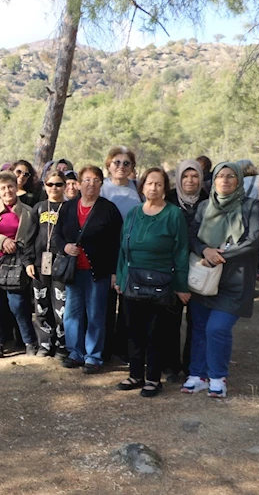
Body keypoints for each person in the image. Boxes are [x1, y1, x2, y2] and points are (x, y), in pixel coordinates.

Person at [182, 162, 259, 399]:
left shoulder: (250, 206)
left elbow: (253, 240)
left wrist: (220, 256)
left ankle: (217, 376)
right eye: (220, 176)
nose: (225, 180)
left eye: (230, 176)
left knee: (217, 328)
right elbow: (192, 236)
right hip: (205, 280)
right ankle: (198, 375)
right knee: (198, 328)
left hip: (234, 282)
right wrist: (206, 250)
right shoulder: (205, 206)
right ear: (213, 181)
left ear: (239, 180)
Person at [114, 168, 191, 397]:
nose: (154, 188)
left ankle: (153, 379)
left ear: (164, 188)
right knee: (133, 331)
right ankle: (135, 375)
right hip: (132, 281)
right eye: (149, 183)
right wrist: (120, 278)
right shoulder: (133, 213)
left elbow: (181, 252)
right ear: (142, 186)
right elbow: (122, 249)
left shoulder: (174, 214)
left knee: (155, 333)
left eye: (158, 184)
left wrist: (181, 285)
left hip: (162, 282)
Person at [53, 165, 122, 374]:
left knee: (96, 315)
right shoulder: (67, 207)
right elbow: (56, 235)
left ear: (101, 184)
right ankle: (76, 353)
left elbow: (116, 244)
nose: (91, 184)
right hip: (74, 271)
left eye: (96, 180)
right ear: (79, 183)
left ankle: (93, 356)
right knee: (72, 314)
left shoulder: (108, 209)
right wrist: (64, 247)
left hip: (98, 272)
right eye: (87, 180)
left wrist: (114, 272)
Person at [0, 171, 38, 358]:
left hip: (17, 266)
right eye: (2, 188)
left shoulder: (28, 212)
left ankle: (29, 341)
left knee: (18, 304)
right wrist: (2, 241)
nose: (7, 191)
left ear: (16, 187)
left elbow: (33, 239)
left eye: (10, 186)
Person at [165, 160, 209, 379]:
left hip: (202, 268)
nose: (190, 181)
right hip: (172, 267)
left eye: (194, 176)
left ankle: (193, 365)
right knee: (170, 321)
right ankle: (172, 366)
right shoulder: (169, 199)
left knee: (197, 321)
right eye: (185, 176)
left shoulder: (209, 200)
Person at [100, 146, 142, 365]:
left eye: (126, 163)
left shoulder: (138, 189)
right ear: (108, 165)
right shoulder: (102, 188)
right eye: (117, 162)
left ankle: (124, 348)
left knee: (129, 303)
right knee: (106, 303)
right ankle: (105, 349)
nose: (121, 167)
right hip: (106, 251)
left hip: (132, 252)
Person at [30, 169, 69, 358]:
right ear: (45, 186)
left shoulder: (70, 208)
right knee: (41, 305)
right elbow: (29, 237)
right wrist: (28, 261)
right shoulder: (38, 207)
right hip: (39, 264)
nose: (54, 188)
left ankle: (62, 344)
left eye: (59, 184)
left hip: (62, 264)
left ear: (65, 186)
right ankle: (44, 343)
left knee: (61, 306)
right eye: (50, 184)